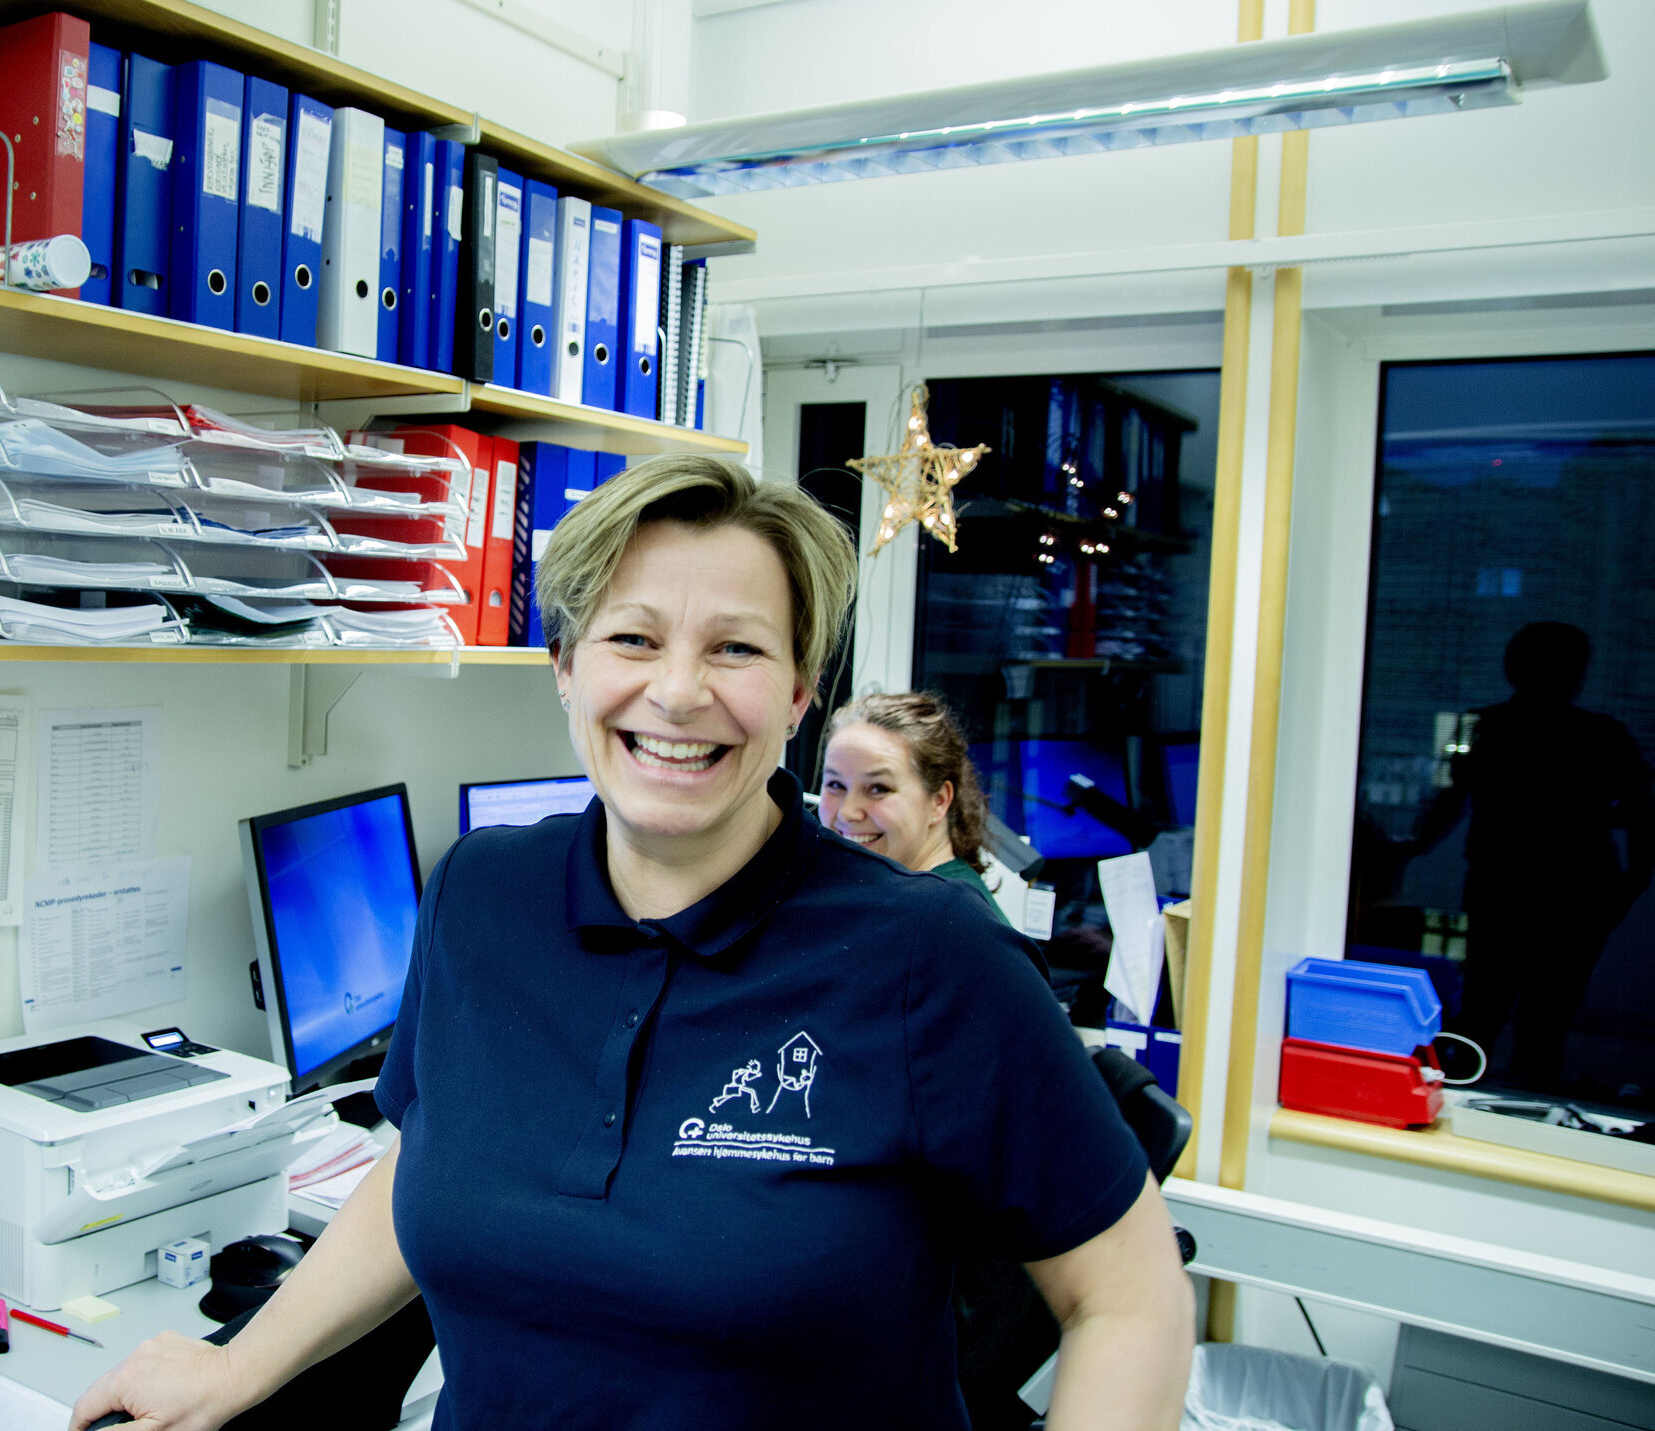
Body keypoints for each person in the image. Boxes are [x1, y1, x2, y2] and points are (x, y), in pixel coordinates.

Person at [71, 456, 1192, 1431]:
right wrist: (236, 1367)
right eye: (633, 638)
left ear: (799, 693)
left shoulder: (927, 955)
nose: (678, 691)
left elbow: (1129, 1295)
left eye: (736, 648)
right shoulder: (477, 894)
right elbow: (432, 1155)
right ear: (566, 666)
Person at [1416, 621, 1654, 1088]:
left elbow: (1449, 799)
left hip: (1509, 886)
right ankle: (1521, 1103)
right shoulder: (1601, 735)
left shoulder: (1485, 726)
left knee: (1489, 1007)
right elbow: (1642, 812)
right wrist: (1632, 880)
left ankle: (1460, 1095)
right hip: (1573, 891)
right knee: (1541, 1016)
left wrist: (1414, 846)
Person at [819, 689, 1011, 922]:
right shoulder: (894, 896)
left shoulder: (951, 919)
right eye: (836, 785)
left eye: (878, 788)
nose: (847, 812)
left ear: (939, 801)